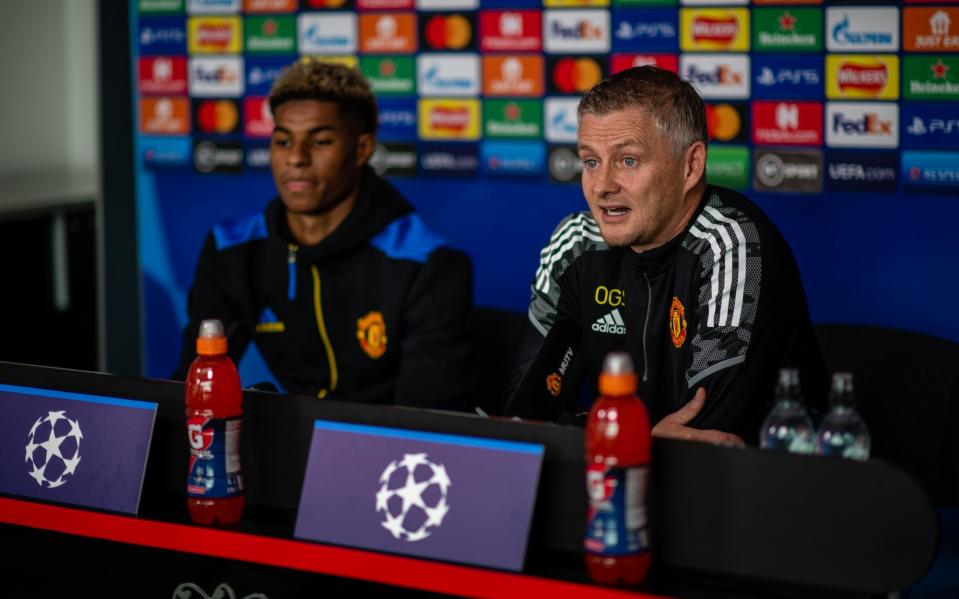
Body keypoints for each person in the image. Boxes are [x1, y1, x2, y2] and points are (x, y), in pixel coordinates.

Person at [506, 66, 826, 444]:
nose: (603, 186)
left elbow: (701, 444)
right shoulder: (576, 244)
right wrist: (640, 439)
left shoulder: (731, 243)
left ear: (690, 166)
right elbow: (524, 417)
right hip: (629, 482)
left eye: (628, 160)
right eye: (591, 162)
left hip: (770, 490)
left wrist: (595, 432)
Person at [173, 59, 475, 410]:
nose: (296, 158)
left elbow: (427, 425)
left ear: (362, 149)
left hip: (389, 455)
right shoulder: (233, 250)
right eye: (283, 141)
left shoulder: (426, 263)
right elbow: (193, 389)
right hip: (291, 452)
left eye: (320, 141)